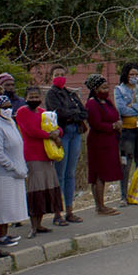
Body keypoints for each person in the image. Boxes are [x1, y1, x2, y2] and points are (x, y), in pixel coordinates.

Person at [14, 86, 65, 235]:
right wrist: (50, 135)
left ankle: (40, 224)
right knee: (35, 189)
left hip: (47, 154)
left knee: (46, 188)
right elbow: (31, 131)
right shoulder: (22, 112)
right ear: (25, 98)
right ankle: (33, 226)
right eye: (31, 97)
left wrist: (57, 132)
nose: (34, 99)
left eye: (37, 96)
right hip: (32, 155)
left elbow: (57, 127)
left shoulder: (44, 113)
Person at [45, 65, 88, 221]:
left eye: (62, 74)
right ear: (51, 77)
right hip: (62, 134)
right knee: (60, 174)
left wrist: (73, 115)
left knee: (70, 174)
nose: (60, 77)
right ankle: (57, 212)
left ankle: (69, 210)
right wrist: (74, 114)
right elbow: (59, 113)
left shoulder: (70, 94)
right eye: (57, 74)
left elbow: (84, 112)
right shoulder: (51, 94)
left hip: (75, 132)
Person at [0, 96, 32, 241]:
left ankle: (6, 233)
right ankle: (2, 235)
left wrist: (21, 166)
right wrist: (12, 167)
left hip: (17, 170)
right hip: (4, 172)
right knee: (4, 204)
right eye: (4, 107)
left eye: (9, 107)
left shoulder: (11, 122)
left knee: (13, 203)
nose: (7, 110)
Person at [82, 75, 123, 215]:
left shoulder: (107, 102)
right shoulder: (92, 104)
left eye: (107, 87)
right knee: (99, 174)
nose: (106, 90)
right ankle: (100, 206)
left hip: (110, 141)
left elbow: (115, 115)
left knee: (105, 172)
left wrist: (118, 124)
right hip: (98, 142)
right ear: (95, 89)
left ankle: (101, 205)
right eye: (103, 88)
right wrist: (113, 126)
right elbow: (96, 124)